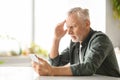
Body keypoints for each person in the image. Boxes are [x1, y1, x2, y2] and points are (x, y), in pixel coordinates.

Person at [32, 7, 120, 77]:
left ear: (87, 24)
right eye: (68, 27)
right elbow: (56, 63)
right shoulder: (75, 43)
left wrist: (51, 70)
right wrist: (56, 39)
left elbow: (88, 67)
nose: (69, 32)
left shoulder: (100, 40)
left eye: (73, 26)